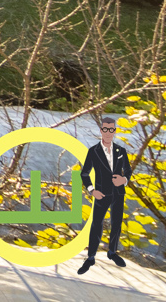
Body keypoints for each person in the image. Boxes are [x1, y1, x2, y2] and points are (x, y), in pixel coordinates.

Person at [78, 114, 131, 273]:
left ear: (115, 131)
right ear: (101, 130)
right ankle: (91, 257)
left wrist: (124, 180)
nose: (108, 132)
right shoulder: (93, 151)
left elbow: (127, 171)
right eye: (105, 129)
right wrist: (92, 190)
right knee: (96, 225)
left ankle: (112, 252)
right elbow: (84, 174)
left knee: (117, 223)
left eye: (112, 130)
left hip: (118, 193)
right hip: (102, 193)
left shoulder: (121, 150)